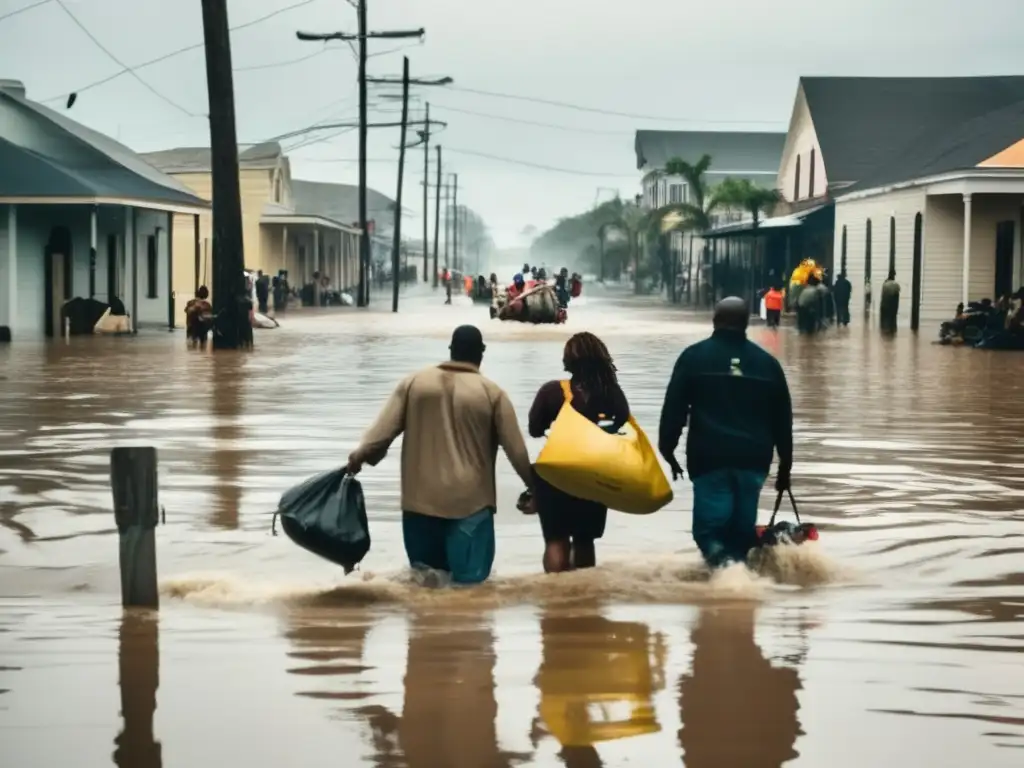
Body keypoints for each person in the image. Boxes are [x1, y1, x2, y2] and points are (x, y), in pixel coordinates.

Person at [344, 326, 534, 585]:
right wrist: (537, 489)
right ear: (481, 354)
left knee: (425, 586)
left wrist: (358, 458)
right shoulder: (492, 394)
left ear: (451, 351)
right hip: (471, 507)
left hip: (419, 506)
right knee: (470, 594)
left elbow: (379, 436)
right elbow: (517, 452)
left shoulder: (414, 384)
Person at [658, 297, 794, 569]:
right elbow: (783, 421)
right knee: (741, 535)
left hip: (710, 458)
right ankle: (739, 595)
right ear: (746, 322)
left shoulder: (693, 358)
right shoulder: (768, 365)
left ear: (714, 320)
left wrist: (668, 449)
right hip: (753, 461)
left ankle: (726, 578)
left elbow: (674, 408)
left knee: (709, 532)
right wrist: (785, 469)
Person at [527, 332, 630, 573]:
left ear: (568, 362)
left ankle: (555, 596)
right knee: (585, 540)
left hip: (555, 475)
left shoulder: (552, 392)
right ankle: (584, 599)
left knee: (556, 539)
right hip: (593, 475)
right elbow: (622, 421)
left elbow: (534, 429)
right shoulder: (611, 393)